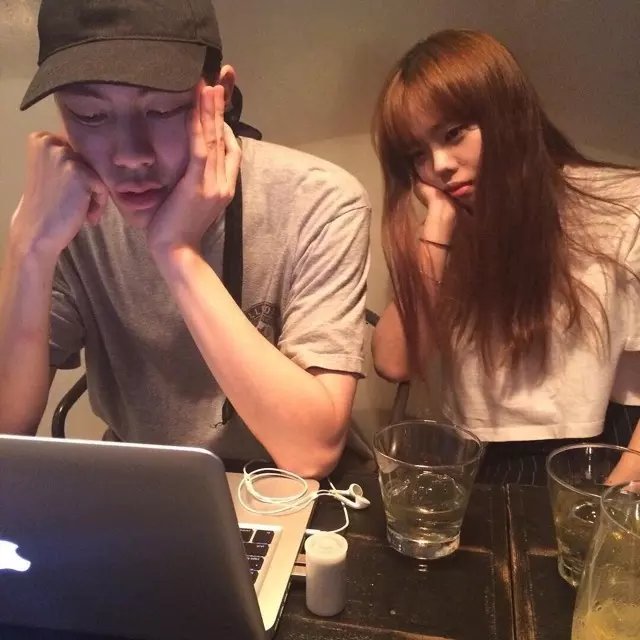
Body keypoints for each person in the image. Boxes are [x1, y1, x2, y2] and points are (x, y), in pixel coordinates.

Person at [0, 0, 371, 479]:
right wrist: (28, 248)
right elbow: (7, 429)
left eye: (162, 109)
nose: (130, 154)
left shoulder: (320, 201)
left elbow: (311, 452)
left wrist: (176, 252)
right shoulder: (64, 214)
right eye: (89, 115)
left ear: (220, 95)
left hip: (290, 491)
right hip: (146, 486)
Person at [371, 29, 640, 484]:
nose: (439, 165)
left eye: (453, 133)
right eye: (418, 154)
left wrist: (613, 499)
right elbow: (394, 362)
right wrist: (437, 226)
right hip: (473, 461)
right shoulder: (448, 228)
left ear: (508, 113)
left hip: (600, 455)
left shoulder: (621, 207)